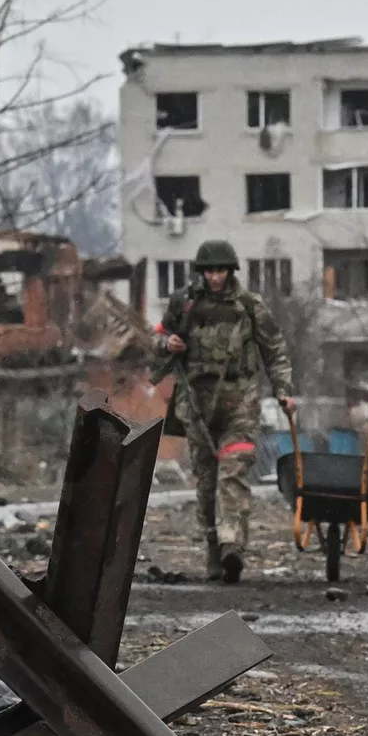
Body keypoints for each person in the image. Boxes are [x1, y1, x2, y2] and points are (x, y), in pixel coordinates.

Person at [156, 240, 297, 584]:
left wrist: (283, 391)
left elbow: (274, 350)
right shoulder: (184, 304)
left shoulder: (249, 306)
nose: (215, 277)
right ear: (201, 272)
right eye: (209, 271)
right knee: (206, 482)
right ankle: (213, 553)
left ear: (230, 271)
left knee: (232, 472)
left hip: (240, 400)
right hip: (197, 403)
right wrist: (167, 343)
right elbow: (157, 339)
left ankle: (232, 543)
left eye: (220, 270)